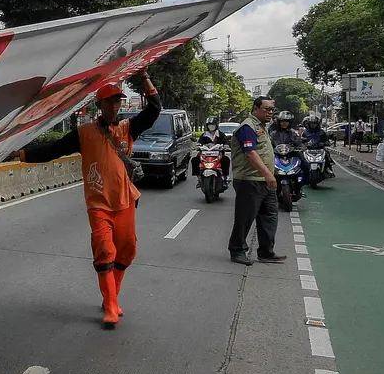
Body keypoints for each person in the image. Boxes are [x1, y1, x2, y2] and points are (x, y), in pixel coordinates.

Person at [18, 70, 161, 329]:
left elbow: (154, 110)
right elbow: (53, 150)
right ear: (100, 105)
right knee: (105, 250)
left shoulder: (128, 128)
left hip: (126, 200)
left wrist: (145, 77)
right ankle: (109, 305)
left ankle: (113, 296)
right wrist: (21, 154)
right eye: (110, 101)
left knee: (127, 250)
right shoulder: (84, 132)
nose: (115, 105)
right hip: (98, 203)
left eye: (118, 101)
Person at [228, 96, 286, 266]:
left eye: (272, 109)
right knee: (245, 217)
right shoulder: (248, 127)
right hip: (250, 180)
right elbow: (250, 153)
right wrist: (268, 174)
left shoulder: (262, 127)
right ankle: (237, 250)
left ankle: (266, 252)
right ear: (255, 109)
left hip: (265, 181)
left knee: (269, 215)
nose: (270, 112)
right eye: (267, 109)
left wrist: (269, 176)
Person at [194, 116, 231, 188]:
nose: (211, 127)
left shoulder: (221, 135)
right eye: (209, 125)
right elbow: (199, 143)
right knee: (194, 160)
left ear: (216, 125)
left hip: (218, 155)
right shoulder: (204, 135)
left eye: (213, 125)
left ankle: (224, 178)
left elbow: (225, 142)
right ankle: (199, 179)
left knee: (226, 160)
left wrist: (226, 146)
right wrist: (197, 146)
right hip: (205, 155)